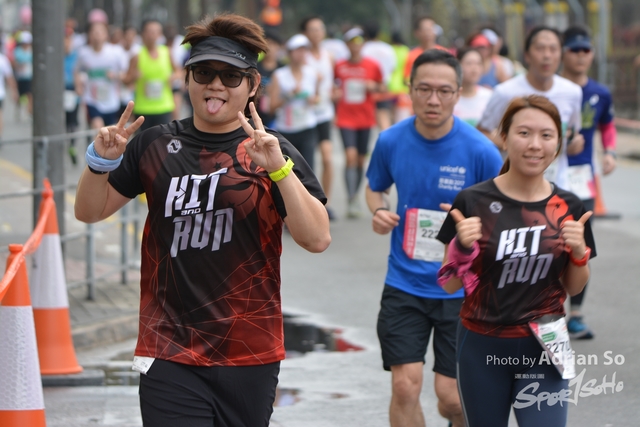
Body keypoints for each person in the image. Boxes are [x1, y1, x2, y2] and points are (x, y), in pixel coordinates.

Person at [74, 13, 330, 427]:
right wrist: (99, 163)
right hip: (168, 347)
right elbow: (89, 211)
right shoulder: (154, 145)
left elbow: (316, 238)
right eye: (204, 73)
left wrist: (279, 169)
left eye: (231, 76)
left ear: (252, 85)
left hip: (249, 349)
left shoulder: (271, 150)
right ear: (187, 78)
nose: (215, 85)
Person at [437, 95, 596, 427]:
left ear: (558, 143)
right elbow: (449, 284)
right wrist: (461, 248)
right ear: (504, 137)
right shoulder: (472, 201)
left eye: (546, 135)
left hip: (546, 345)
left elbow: (574, 286)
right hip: (481, 344)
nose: (535, 145)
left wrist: (579, 254)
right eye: (524, 133)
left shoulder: (569, 207)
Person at [366, 49, 502, 427]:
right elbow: (375, 187)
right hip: (404, 283)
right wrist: (378, 211)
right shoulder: (391, 140)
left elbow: (502, 214)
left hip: (461, 290)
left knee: (452, 399)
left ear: (458, 93)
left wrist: (473, 231)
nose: (433, 99)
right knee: (405, 386)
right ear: (410, 90)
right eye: (424, 89)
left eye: (444, 91)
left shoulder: (481, 151)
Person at [477, 25, 584, 192]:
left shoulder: (573, 92)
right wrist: (513, 142)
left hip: (557, 187)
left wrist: (573, 143)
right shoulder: (505, 92)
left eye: (553, 49)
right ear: (527, 55)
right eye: (540, 49)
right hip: (513, 189)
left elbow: (571, 132)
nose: (547, 55)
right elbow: (481, 132)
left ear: (561, 55)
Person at [561, 25, 616, 340]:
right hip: (549, 177)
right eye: (575, 50)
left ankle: (577, 315)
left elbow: (607, 124)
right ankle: (542, 311)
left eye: (586, 50)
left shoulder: (600, 93)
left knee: (581, 246)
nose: (581, 56)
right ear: (563, 53)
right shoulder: (553, 89)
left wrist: (610, 152)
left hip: (583, 181)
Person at [334, 27, 384, 218]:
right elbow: (332, 86)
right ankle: (351, 197)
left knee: (361, 160)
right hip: (345, 118)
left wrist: (374, 86)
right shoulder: (339, 65)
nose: (356, 45)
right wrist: (335, 94)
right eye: (352, 41)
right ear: (347, 44)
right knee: (350, 157)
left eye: (359, 41)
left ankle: (354, 195)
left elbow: (383, 86)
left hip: (365, 118)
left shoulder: (372, 65)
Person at [302, 16, 337, 219]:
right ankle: (307, 203)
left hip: (325, 113)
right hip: (305, 115)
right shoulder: (301, 56)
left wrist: (335, 92)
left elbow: (335, 81)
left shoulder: (329, 55)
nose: (317, 33)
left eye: (320, 28)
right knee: (306, 162)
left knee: (327, 157)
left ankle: (325, 203)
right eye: (312, 29)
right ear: (305, 33)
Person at [269, 34, 319, 170]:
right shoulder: (279, 75)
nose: (301, 54)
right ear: (290, 53)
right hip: (286, 130)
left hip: (307, 126)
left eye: (304, 50)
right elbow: (271, 107)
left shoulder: (312, 74)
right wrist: (288, 96)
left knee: (308, 169)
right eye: (298, 50)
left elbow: (317, 98)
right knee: (288, 170)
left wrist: (312, 99)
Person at [123, 19, 177, 132]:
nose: (152, 35)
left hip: (164, 106)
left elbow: (179, 71)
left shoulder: (167, 52)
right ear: (143, 34)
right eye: (149, 31)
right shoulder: (136, 56)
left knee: (163, 140)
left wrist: (173, 77)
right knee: (144, 142)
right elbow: (126, 80)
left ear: (160, 34)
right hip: (143, 109)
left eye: (156, 31)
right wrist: (134, 76)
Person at [76, 21, 128, 129]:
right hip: (92, 100)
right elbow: (76, 70)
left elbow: (126, 74)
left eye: (100, 32)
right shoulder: (84, 53)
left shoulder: (116, 52)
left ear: (106, 35)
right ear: (89, 35)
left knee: (110, 132)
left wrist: (116, 75)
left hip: (112, 101)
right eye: (94, 32)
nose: (97, 35)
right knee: (98, 128)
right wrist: (78, 87)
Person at [362, 20, 397, 131]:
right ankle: (387, 141)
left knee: (364, 122)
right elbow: (393, 68)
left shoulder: (362, 49)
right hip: (383, 88)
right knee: (384, 119)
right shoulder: (388, 48)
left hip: (366, 89)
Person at [453, 47, 492, 126]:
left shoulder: (489, 97)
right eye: (469, 63)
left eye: (478, 63)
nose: (474, 68)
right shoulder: (450, 97)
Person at [403, 16, 447, 82]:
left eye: (431, 29)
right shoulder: (411, 55)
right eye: (425, 29)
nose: (428, 32)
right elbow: (407, 78)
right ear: (417, 33)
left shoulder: (444, 53)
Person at [256, 29, 283, 128]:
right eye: (268, 44)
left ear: (279, 47)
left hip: (279, 116)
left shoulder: (283, 69)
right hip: (257, 114)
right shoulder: (255, 68)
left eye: (273, 44)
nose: (270, 47)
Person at [12, 31, 33, 116]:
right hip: (20, 77)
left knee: (30, 94)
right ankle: (19, 110)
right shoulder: (18, 51)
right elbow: (14, 63)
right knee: (20, 95)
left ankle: (30, 111)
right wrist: (19, 65)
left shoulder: (31, 50)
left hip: (29, 77)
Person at [0, 44, 17, 137]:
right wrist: (14, 91)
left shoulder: (3, 59)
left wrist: (14, 91)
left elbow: (9, 77)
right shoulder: (3, 59)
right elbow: (9, 77)